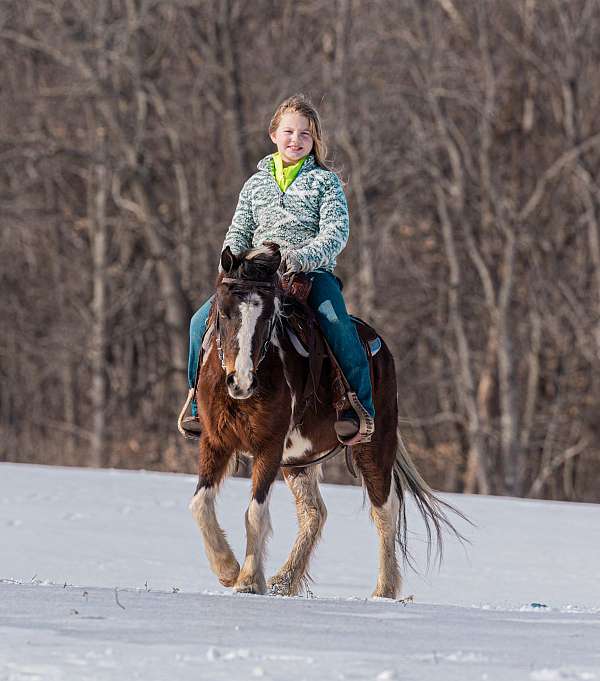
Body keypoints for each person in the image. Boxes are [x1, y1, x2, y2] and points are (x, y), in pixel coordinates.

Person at [181, 94, 374, 444]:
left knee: (336, 324)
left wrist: (301, 257)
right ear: (273, 134)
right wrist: (232, 258)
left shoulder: (325, 182)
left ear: (314, 141)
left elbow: (336, 232)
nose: (295, 140)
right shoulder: (255, 184)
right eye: (288, 132)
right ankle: (197, 401)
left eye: (305, 134)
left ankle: (356, 405)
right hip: (255, 276)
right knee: (199, 323)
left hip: (309, 274)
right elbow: (240, 228)